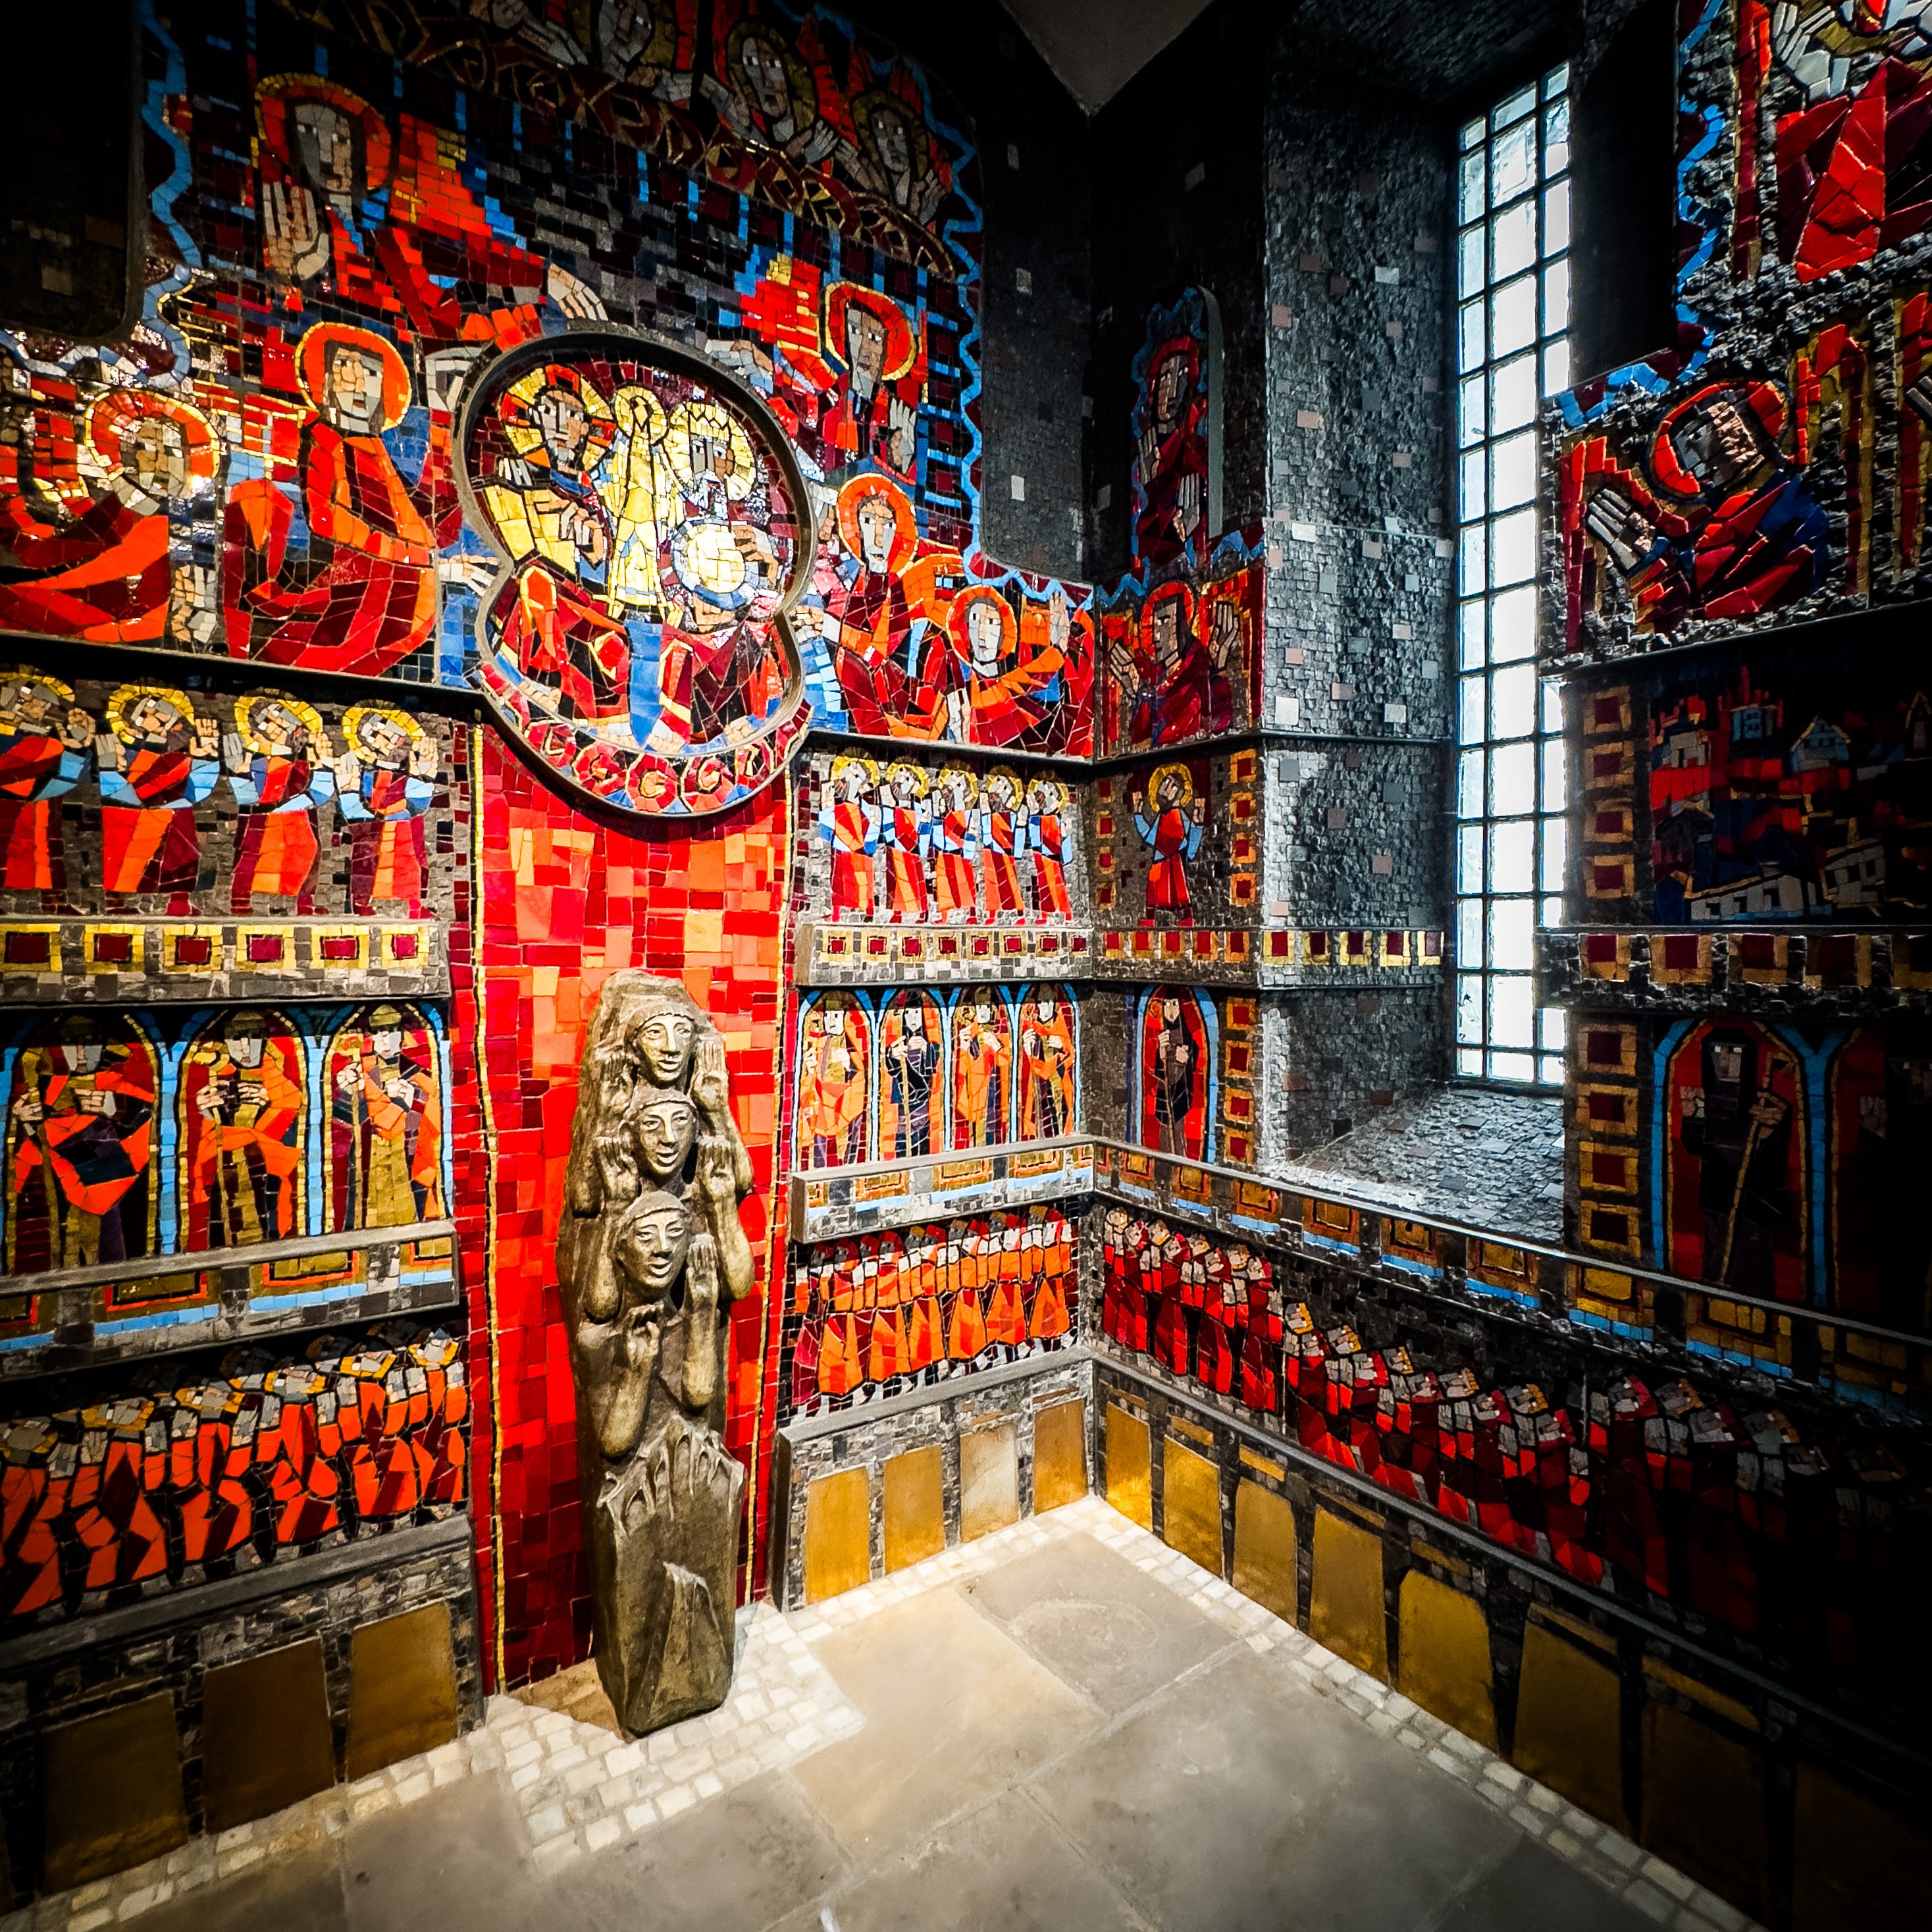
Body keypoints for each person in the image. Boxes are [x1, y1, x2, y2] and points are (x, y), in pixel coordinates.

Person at [254, 74, 604, 346]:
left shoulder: (386, 236)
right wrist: (294, 283)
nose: (329, 154)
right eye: (309, 132)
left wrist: (545, 278)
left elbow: (462, 257)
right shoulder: (286, 223)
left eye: (340, 138)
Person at [224, 325, 484, 674]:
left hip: (398, 582)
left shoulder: (379, 450)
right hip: (350, 584)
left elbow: (430, 524)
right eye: (344, 366)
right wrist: (420, 560)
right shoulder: (324, 438)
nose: (357, 381)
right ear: (327, 383)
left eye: (371, 373)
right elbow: (325, 519)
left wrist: (441, 425)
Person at [1583, 383, 1829, 635]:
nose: (1692, 467)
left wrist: (1668, 566)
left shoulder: (1800, 520)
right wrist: (1659, 558)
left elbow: (1735, 611)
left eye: (1697, 434)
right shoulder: (1704, 523)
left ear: (1740, 433)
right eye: (1679, 450)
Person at [0, 392, 219, 644]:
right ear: (130, 456)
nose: (158, 461)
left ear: (188, 460)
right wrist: (10, 476)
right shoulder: (114, 507)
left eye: (170, 451)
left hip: (131, 628)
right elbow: (44, 555)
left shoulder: (187, 522)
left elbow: (169, 607)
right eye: (145, 448)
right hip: (83, 612)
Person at [7, 1018, 156, 1272]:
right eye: (71, 1043)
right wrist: (24, 1126)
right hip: (58, 1204)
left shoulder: (114, 1085)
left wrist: (115, 1107)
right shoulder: (44, 1091)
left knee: (110, 1260)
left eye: (90, 1043)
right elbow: (27, 1158)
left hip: (111, 1201)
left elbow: (157, 1115)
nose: (81, 1053)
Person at [1676, 1027, 1794, 1295]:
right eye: (1719, 1052)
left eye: (1734, 1053)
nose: (1725, 1060)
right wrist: (1692, 1117)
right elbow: (1694, 1146)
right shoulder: (1709, 1097)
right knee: (1717, 1257)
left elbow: (1777, 1163)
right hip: (1717, 1197)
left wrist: (1771, 1133)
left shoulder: (1762, 1103)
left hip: (1752, 1204)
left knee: (1751, 1263)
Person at [186, 1012, 304, 1249]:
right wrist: (206, 1115)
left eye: (254, 1037)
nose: (246, 1047)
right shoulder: (212, 1081)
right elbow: (198, 1143)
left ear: (265, 1039)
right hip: (223, 1179)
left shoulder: (280, 1084)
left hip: (268, 1180)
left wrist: (268, 1105)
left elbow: (290, 1130)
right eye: (236, 1038)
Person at [96, 685, 221, 908]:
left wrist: (207, 758)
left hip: (176, 822)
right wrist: (108, 769)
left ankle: (179, 903)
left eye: (159, 711)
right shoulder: (125, 753)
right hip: (133, 823)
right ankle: (117, 903)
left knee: (178, 866)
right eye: (146, 713)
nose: (156, 718)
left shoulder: (182, 756)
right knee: (128, 867)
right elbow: (116, 792)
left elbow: (198, 791)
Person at [330, 1005, 444, 1229]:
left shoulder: (420, 1077)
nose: (384, 1038)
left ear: (401, 1035)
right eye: (377, 1031)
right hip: (368, 1164)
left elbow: (434, 1127)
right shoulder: (358, 1073)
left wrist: (413, 1102)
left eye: (390, 1030)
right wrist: (345, 1092)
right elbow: (342, 1123)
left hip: (407, 1165)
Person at [224, 692, 334, 914]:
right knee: (251, 856)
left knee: (309, 853)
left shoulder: (306, 760)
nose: (274, 726)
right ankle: (240, 899)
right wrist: (240, 773)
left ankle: (304, 903)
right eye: (265, 722)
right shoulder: (258, 762)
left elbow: (320, 792)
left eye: (278, 718)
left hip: (298, 821)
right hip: (262, 822)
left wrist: (324, 768)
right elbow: (248, 797)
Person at [334, 704, 437, 916]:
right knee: (367, 865)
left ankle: (413, 906)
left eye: (395, 736)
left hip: (404, 832)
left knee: (412, 865)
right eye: (376, 737)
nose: (392, 742)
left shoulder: (407, 775)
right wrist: (349, 793)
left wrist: (425, 779)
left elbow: (418, 803)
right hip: (373, 833)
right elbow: (357, 809)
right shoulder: (368, 776)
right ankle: (362, 904)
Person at [0, 670, 91, 904]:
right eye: (23, 700)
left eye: (42, 703)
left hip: (38, 813)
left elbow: (68, 779)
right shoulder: (37, 744)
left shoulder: (50, 743)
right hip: (12, 807)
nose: (36, 708)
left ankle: (49, 899)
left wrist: (76, 747)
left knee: (40, 853)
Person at [1133, 331, 1209, 569]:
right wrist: (1149, 484)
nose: (1173, 390)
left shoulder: (1196, 451)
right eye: (1166, 377)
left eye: (1183, 376)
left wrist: (1187, 530)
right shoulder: (1146, 454)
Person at [1135, 764, 1205, 920]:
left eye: (1172, 786)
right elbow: (1150, 836)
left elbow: (1191, 848)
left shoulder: (1181, 817)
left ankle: (1187, 921)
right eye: (1165, 783)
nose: (1166, 789)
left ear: (1180, 793)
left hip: (1175, 864)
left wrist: (1198, 824)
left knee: (1179, 893)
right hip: (1159, 863)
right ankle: (1150, 923)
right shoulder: (1162, 816)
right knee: (1153, 893)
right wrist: (1138, 814)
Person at [819, 756, 879, 920]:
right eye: (847, 775)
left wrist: (866, 846)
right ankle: (836, 914)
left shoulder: (867, 808)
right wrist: (826, 803)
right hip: (841, 848)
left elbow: (873, 833)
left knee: (862, 880)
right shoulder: (837, 806)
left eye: (856, 776)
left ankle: (868, 912)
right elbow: (825, 831)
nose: (849, 780)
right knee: (838, 881)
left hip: (860, 851)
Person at [882, 999, 940, 1157]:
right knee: (903, 1135)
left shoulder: (930, 1045)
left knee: (921, 1136)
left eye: (916, 1013)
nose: (913, 1018)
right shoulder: (899, 1045)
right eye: (908, 1013)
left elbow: (934, 1068)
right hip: (903, 1101)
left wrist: (927, 1049)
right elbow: (889, 1065)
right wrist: (892, 1056)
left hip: (922, 1101)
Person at [1147, 993, 1201, 1158]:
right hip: (1165, 1088)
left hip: (1181, 1087)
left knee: (1178, 1127)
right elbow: (1154, 1069)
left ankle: (1180, 1156)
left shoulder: (1186, 1035)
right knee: (1165, 1128)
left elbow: (1194, 1056)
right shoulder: (1162, 1035)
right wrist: (1161, 1052)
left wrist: (1185, 1059)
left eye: (1175, 1005)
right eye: (1167, 1005)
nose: (1171, 1010)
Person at [951, 997, 1010, 1149]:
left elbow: (1008, 1064)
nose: (983, 1011)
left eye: (986, 1007)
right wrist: (964, 1048)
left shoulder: (1002, 1037)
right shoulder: (969, 1037)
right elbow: (962, 1072)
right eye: (980, 1006)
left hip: (997, 1094)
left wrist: (997, 1047)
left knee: (996, 1133)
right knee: (980, 1132)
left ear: (992, 1010)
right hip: (978, 1097)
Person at [1018, 994, 1076, 1139]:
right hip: (1040, 1085)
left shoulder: (1062, 1026)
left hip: (1061, 1086)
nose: (1045, 1007)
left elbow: (1073, 1057)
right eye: (1042, 1002)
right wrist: (1027, 1051)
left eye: (1049, 1002)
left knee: (1062, 1119)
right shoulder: (1032, 1029)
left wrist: (1063, 1047)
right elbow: (1026, 1067)